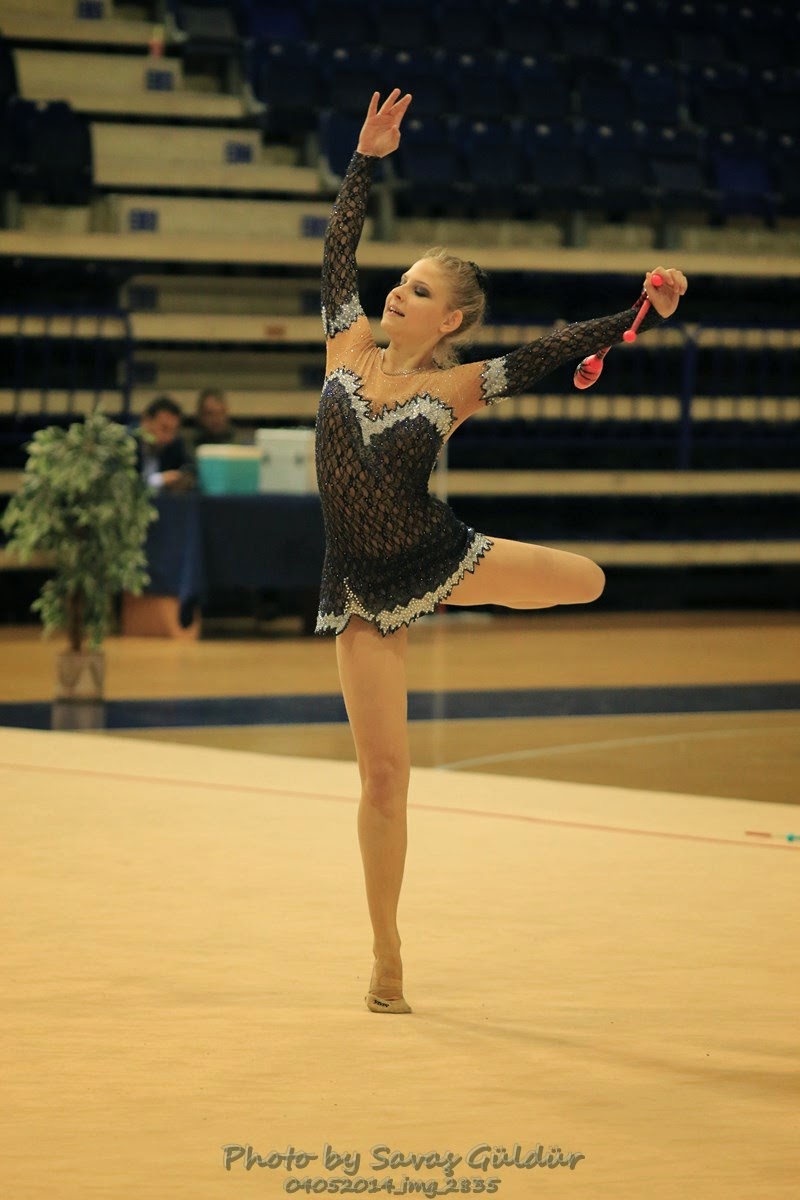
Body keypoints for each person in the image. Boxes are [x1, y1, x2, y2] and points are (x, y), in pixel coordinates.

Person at [315, 90, 688, 1015]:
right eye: (402, 281)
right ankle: (387, 953)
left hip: (436, 553)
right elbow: (338, 253)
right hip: (360, 586)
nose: (397, 292)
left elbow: (552, 349)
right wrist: (365, 159)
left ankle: (455, 590)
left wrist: (638, 313)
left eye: (420, 291)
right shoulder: (345, 344)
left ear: (449, 322)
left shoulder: (463, 386)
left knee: (587, 581)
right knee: (384, 776)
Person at [135, 395, 194, 491]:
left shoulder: (175, 445)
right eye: (164, 429)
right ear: (146, 421)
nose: (168, 438)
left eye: (173, 431)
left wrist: (183, 478)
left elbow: (189, 468)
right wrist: (158, 480)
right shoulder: (125, 444)